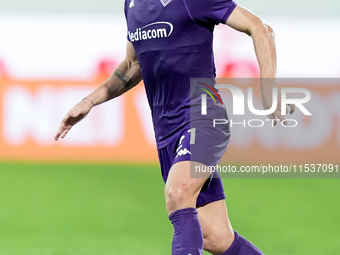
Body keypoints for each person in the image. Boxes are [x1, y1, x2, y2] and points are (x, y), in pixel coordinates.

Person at [55, 0, 295, 254]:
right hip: (166, 133)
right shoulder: (133, 5)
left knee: (179, 192)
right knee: (216, 237)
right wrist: (90, 100)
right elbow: (132, 65)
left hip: (204, 118)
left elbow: (259, 27)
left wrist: (268, 90)